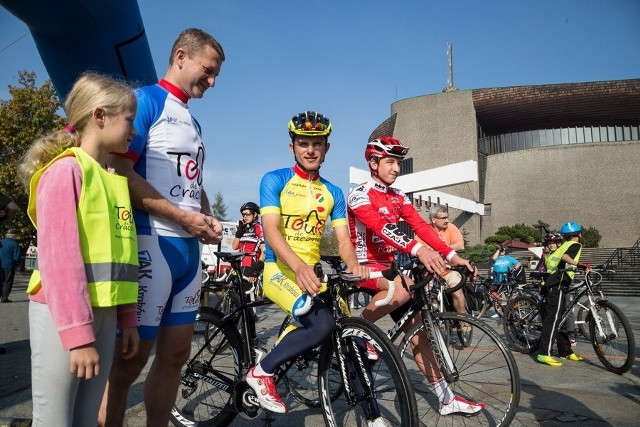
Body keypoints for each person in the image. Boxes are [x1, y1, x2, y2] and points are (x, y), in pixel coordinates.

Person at [98, 28, 225, 427]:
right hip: (151, 243)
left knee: (175, 356)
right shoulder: (145, 101)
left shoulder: (193, 121)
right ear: (181, 56)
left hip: (188, 252)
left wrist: (204, 214)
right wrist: (183, 217)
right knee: (128, 364)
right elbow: (119, 169)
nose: (212, 81)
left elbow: (192, 183)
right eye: (208, 70)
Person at [17, 72, 140, 427]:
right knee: (54, 420)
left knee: (86, 418)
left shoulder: (112, 179)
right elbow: (60, 262)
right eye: (129, 120)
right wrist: (78, 337)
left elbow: (123, 261)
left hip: (101, 316)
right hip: (64, 319)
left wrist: (127, 318)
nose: (134, 130)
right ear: (100, 116)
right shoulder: (65, 173)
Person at [347, 136, 484, 416]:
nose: (396, 168)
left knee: (418, 332)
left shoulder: (398, 196)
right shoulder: (359, 194)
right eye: (390, 162)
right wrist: (419, 250)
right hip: (363, 266)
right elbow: (382, 227)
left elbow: (422, 226)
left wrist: (453, 256)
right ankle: (357, 331)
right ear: (373, 164)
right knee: (402, 289)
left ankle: (446, 398)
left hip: (390, 268)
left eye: (398, 163)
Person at [246, 110, 369, 415]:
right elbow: (272, 232)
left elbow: (343, 240)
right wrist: (298, 267)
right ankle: (261, 372)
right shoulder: (275, 179)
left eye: (317, 144)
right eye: (303, 143)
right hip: (279, 269)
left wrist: (355, 267)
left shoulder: (333, 192)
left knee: (350, 336)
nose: (310, 150)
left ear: (327, 148)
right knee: (322, 323)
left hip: (312, 274)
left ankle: (371, 415)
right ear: (293, 147)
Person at [536, 222, 590, 367]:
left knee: (562, 319)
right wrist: (580, 265)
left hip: (558, 282)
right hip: (557, 284)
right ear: (578, 234)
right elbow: (566, 257)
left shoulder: (564, 244)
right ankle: (543, 353)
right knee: (552, 319)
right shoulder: (574, 245)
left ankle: (565, 351)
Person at [425, 203, 467, 315]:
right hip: (430, 271)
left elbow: (460, 245)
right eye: (443, 218)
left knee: (457, 291)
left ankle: (463, 321)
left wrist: (439, 249)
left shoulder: (451, 228)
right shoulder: (424, 231)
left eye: (447, 217)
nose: (447, 220)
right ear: (433, 219)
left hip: (449, 269)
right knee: (423, 297)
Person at [232, 201, 265, 283]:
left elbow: (264, 250)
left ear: (255, 215)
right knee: (231, 291)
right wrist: (239, 232)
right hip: (239, 264)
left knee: (245, 293)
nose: (245, 216)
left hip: (251, 265)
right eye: (243, 215)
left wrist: (257, 269)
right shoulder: (243, 229)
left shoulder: (258, 227)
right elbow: (234, 246)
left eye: (248, 214)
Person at [0, 229, 22, 303]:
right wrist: (16, 264)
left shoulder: (1, 242)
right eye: (16, 235)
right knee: (8, 281)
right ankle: (4, 298)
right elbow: (17, 257)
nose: (16, 237)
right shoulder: (15, 244)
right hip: (9, 266)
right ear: (13, 235)